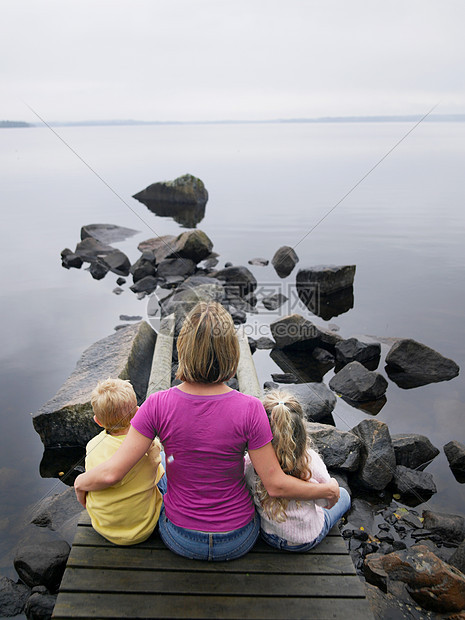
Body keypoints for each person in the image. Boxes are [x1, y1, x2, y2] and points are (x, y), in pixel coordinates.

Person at [74, 302, 340, 561]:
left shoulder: (156, 404)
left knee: (163, 470)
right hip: (237, 539)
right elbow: (275, 485)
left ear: (183, 349)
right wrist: (327, 491)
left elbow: (112, 473)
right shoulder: (251, 408)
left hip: (180, 537)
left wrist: (80, 483)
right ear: (231, 352)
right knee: (344, 497)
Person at [245, 389, 351, 552]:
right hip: (303, 540)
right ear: (301, 428)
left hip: (268, 534)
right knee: (343, 494)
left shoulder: (251, 461)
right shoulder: (311, 460)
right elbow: (325, 503)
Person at [84, 378, 165, 545]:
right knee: (164, 461)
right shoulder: (150, 446)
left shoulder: (91, 447)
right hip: (144, 529)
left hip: (104, 527)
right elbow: (158, 477)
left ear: (97, 421)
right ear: (137, 411)